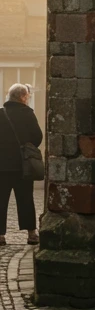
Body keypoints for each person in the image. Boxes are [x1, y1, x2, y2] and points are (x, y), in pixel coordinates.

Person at [0, 83, 42, 247]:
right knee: (25, 199)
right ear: (23, 97)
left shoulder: (1, 114)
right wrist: (27, 146)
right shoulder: (28, 114)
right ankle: (31, 233)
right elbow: (37, 136)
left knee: (0, 200)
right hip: (23, 166)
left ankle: (1, 236)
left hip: (2, 166)